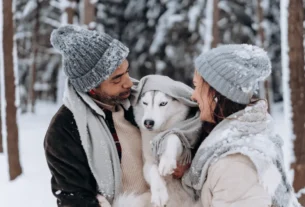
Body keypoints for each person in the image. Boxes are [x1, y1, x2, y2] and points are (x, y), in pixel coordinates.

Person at [181, 44, 301, 207]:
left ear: (217, 93)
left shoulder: (235, 165)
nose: (193, 96)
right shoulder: (244, 141)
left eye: (197, 86)